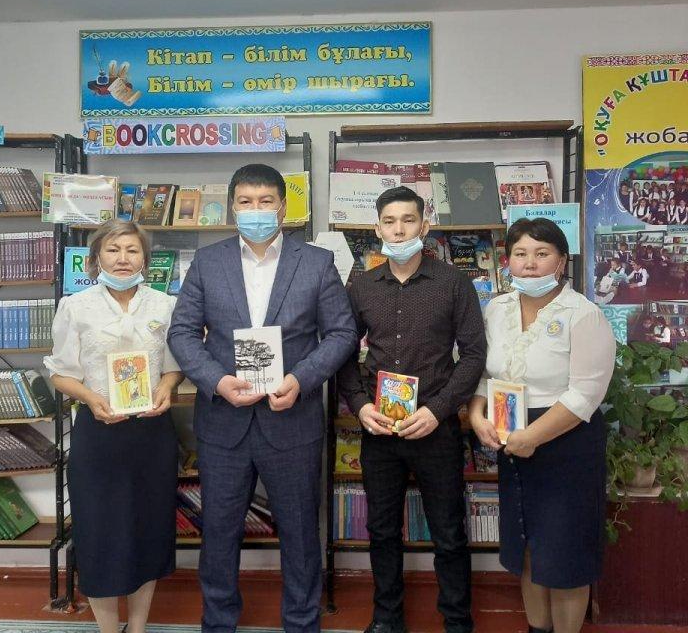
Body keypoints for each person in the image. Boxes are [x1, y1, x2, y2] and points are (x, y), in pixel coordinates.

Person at [167, 163, 357, 633]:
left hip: (292, 419)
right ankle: (218, 622)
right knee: (219, 531)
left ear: (283, 207)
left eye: (265, 201)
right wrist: (216, 381)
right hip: (223, 422)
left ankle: (302, 622)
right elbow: (183, 333)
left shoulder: (316, 263)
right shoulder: (207, 262)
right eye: (246, 202)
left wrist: (301, 379)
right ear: (232, 208)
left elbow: (341, 333)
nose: (256, 210)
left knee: (300, 531)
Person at [337, 186, 487, 633]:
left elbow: (474, 354)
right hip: (380, 428)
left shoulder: (453, 283)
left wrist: (438, 410)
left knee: (449, 531)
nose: (399, 230)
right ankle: (387, 618)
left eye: (408, 220)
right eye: (390, 221)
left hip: (435, 427)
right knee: (382, 531)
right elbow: (343, 353)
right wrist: (360, 405)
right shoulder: (362, 286)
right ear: (377, 228)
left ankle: (457, 621)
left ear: (425, 225)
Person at [468, 217, 615, 633]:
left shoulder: (583, 315)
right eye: (520, 254)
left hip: (566, 443)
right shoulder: (496, 309)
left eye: (541, 253)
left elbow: (586, 394)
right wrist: (477, 414)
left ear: (561, 261)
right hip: (511, 437)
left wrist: (533, 436)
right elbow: (487, 373)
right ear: (508, 261)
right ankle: (538, 628)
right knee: (528, 546)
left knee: (565, 555)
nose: (530, 264)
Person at [44, 220, 183, 633]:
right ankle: (108, 628)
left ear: (145, 259)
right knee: (99, 534)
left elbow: (174, 367)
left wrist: (167, 386)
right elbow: (60, 373)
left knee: (148, 530)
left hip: (152, 435)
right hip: (98, 434)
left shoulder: (165, 305)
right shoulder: (75, 307)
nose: (123, 258)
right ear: (95, 259)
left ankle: (137, 627)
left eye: (132, 250)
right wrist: (91, 398)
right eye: (113, 249)